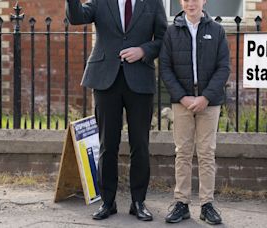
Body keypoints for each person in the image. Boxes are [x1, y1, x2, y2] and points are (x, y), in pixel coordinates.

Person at [65, 0, 167, 221]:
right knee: (107, 144)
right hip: (105, 80)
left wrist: (143, 50)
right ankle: (107, 202)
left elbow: (163, 38)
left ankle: (138, 202)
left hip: (140, 80)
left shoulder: (152, 3)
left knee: (140, 144)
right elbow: (76, 17)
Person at [159, 0, 230, 225]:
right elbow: (165, 68)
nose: (191, 4)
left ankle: (207, 204)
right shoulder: (171, 32)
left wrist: (205, 97)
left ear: (203, 1)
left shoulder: (217, 30)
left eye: (195, 0)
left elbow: (224, 67)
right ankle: (181, 202)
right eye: (187, 0)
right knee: (183, 152)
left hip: (209, 102)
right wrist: (183, 97)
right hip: (182, 102)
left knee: (207, 152)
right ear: (181, 2)